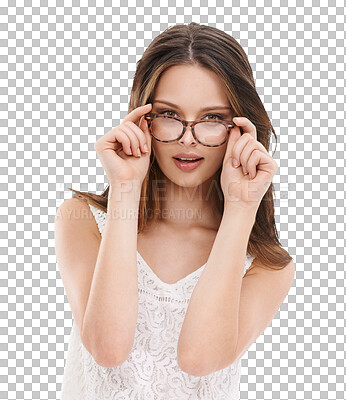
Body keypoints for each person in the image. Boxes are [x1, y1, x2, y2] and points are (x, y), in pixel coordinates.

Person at [55, 22, 295, 400]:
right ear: (142, 120)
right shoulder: (84, 222)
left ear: (240, 129)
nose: (188, 138)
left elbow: (199, 359)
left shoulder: (267, 265)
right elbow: (107, 349)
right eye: (169, 114)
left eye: (212, 119)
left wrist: (241, 208)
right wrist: (125, 190)